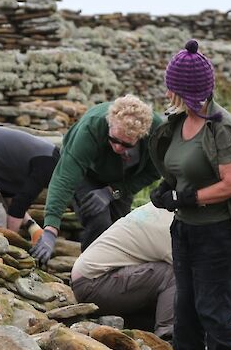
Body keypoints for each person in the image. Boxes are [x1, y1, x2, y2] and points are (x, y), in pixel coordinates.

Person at [147, 40, 231, 350]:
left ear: (185, 90)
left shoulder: (223, 127)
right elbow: (179, 168)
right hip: (187, 231)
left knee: (213, 309)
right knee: (186, 308)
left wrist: (186, 197)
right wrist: (166, 191)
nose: (167, 92)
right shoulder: (177, 122)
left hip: (221, 233)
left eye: (172, 86)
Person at [31, 95, 162, 266]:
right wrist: (51, 228)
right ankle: (88, 274)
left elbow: (153, 173)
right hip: (88, 173)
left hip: (123, 178)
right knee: (98, 219)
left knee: (120, 229)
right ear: (110, 123)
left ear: (142, 135)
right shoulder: (92, 126)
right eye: (113, 140)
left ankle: (114, 273)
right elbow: (65, 176)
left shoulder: (157, 133)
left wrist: (112, 191)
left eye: (126, 145)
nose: (117, 147)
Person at [71, 202, 176, 340]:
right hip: (95, 282)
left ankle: (144, 327)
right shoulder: (168, 225)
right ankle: (169, 338)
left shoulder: (157, 210)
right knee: (172, 274)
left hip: (95, 280)